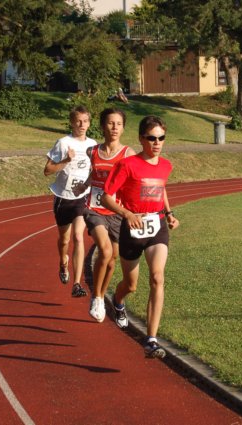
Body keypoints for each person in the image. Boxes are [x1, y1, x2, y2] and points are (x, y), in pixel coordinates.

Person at [101, 115, 180, 359]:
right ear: (141, 139)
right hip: (132, 228)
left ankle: (151, 340)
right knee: (131, 285)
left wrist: (169, 214)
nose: (157, 143)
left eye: (161, 138)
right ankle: (118, 300)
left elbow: (161, 188)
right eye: (152, 138)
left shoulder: (166, 165)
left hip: (157, 226)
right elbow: (106, 197)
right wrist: (126, 213)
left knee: (157, 277)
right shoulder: (127, 165)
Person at [77, 108, 135, 322]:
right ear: (103, 126)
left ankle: (101, 294)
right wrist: (83, 186)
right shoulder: (92, 151)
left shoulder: (128, 154)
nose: (114, 128)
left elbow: (133, 180)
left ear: (123, 128)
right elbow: (93, 174)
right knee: (105, 249)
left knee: (112, 260)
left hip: (117, 211)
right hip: (94, 208)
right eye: (110, 123)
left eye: (119, 124)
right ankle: (97, 297)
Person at [44, 106, 97, 297]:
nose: (82, 125)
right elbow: (47, 170)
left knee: (78, 236)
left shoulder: (93, 145)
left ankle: (76, 284)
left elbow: (94, 171)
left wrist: (87, 186)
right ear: (72, 123)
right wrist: (66, 160)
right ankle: (62, 261)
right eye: (78, 121)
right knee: (64, 240)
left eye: (85, 121)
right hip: (63, 198)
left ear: (89, 123)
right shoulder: (63, 143)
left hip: (81, 198)